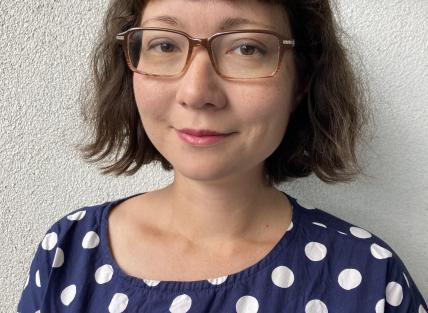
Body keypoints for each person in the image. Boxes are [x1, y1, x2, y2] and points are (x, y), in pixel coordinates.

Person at [17, 0, 427, 312]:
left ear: (301, 80)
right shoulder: (68, 251)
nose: (196, 92)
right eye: (164, 44)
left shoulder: (371, 276)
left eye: (246, 48)